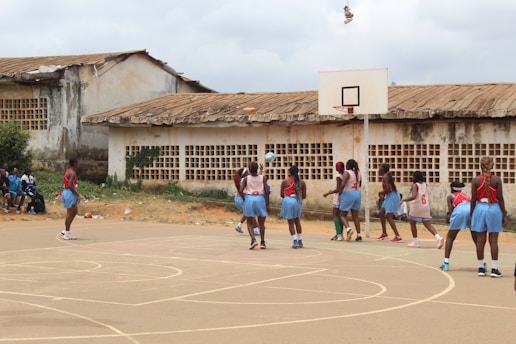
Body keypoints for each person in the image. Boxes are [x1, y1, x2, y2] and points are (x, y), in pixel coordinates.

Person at [470, 156, 506, 278]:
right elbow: (500, 198)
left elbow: (473, 199)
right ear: (492, 166)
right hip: (493, 208)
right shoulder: (496, 180)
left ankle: (481, 267)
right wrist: (504, 214)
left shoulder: (475, 181)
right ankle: (494, 269)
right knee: (493, 240)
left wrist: (471, 214)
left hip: (479, 208)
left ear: (481, 166)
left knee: (480, 241)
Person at [439, 182, 477, 271]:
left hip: (459, 210)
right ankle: (482, 264)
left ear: (452, 188)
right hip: (471, 211)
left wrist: (449, 218)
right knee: (477, 239)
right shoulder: (465, 196)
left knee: (450, 237)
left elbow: (451, 211)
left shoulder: (450, 196)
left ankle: (446, 263)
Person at [401, 171, 444, 249]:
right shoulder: (424, 184)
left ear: (415, 177)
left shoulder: (415, 185)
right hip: (425, 206)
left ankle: (415, 241)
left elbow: (414, 196)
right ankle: (438, 237)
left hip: (417, 206)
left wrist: (404, 200)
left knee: (412, 223)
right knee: (428, 224)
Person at [240, 161, 269, 250]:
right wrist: (267, 202)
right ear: (257, 169)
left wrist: (244, 198)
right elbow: (266, 190)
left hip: (249, 198)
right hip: (260, 198)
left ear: (249, 169)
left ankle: (253, 240)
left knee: (249, 221)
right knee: (261, 223)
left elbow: (241, 190)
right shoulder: (263, 178)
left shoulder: (246, 179)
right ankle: (263, 242)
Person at [280, 165, 307, 248]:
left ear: (289, 172)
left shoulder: (285, 181)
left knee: (290, 222)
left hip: (288, 200)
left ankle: (295, 241)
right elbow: (304, 196)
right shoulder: (302, 182)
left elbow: (281, 194)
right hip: (297, 201)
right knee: (297, 221)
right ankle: (300, 241)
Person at [337, 159, 362, 241]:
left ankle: (348, 229)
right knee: (355, 216)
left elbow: (343, 184)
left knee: (342, 214)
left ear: (348, 166)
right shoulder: (358, 173)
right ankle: (359, 235)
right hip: (357, 193)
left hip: (348, 193)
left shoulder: (347, 172)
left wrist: (340, 192)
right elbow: (360, 184)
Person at [377, 164, 403, 242]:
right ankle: (384, 233)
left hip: (392, 196)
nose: (378, 169)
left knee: (389, 216)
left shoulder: (385, 177)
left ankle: (398, 236)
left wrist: (382, 192)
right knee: (382, 212)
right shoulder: (386, 176)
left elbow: (388, 189)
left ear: (383, 169)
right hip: (390, 195)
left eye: (380, 168)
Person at [233, 167, 260, 236]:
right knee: (251, 213)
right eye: (247, 172)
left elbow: (256, 178)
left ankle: (239, 226)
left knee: (248, 212)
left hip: (239, 198)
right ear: (244, 174)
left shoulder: (244, 179)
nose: (248, 173)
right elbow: (256, 179)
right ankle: (256, 229)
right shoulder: (244, 180)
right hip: (241, 198)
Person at [323, 162, 345, 240]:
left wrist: (328, 193)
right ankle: (340, 234)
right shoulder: (344, 175)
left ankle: (339, 234)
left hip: (338, 197)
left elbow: (337, 189)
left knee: (335, 215)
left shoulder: (339, 177)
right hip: (343, 196)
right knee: (341, 215)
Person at [61, 158, 80, 240]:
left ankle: (67, 231)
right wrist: (77, 194)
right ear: (75, 163)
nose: (78, 164)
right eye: (77, 162)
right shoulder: (72, 173)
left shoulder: (68, 170)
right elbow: (69, 185)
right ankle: (66, 232)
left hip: (68, 192)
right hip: (70, 193)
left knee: (75, 211)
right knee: (70, 212)